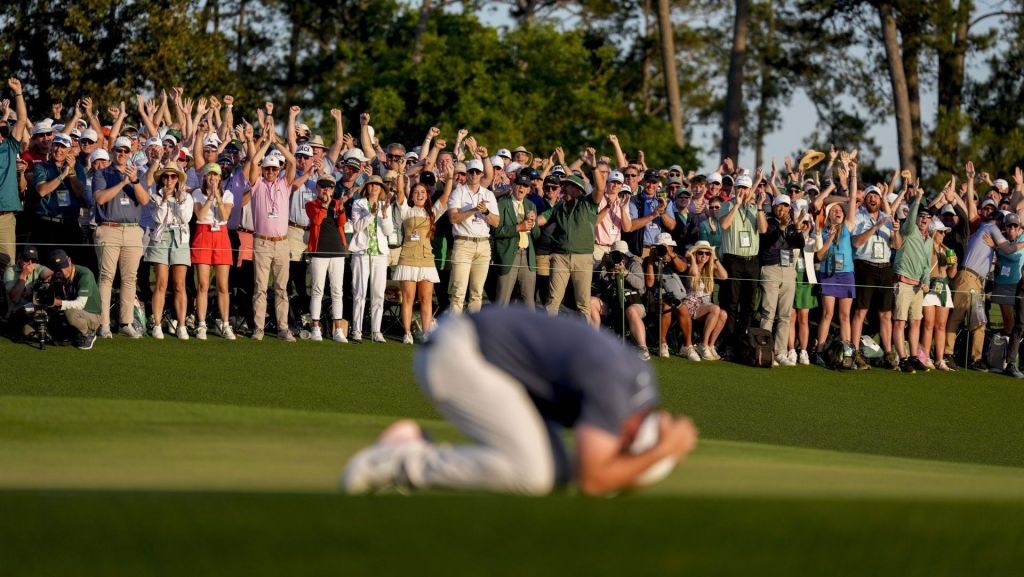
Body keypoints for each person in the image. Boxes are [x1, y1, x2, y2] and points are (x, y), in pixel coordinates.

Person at [341, 306, 699, 496]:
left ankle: (408, 443)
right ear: (629, 436)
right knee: (533, 474)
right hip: (458, 353)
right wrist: (664, 450)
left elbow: (584, 473)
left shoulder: (637, 386)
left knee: (558, 472)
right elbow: (594, 480)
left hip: (481, 353)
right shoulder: (616, 389)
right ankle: (398, 462)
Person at [92, 135, 151, 338]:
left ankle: (126, 322)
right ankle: (104, 323)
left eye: (126, 151)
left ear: (130, 154)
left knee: (130, 278)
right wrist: (122, 182)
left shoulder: (137, 174)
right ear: (113, 152)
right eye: (119, 150)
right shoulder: (102, 173)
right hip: (109, 228)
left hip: (132, 230)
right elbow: (100, 198)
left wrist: (134, 181)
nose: (122, 154)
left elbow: (144, 200)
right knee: (106, 277)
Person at [246, 126, 299, 342]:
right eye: (267, 169)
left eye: (274, 169)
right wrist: (266, 143)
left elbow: (292, 162)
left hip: (282, 243)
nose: (270, 172)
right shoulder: (257, 185)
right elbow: (253, 163)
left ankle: (283, 328)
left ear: (278, 170)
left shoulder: (284, 184)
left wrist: (276, 142)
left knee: (281, 288)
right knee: (260, 288)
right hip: (262, 242)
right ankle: (259, 328)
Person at [393, 164, 454, 343]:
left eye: (422, 192)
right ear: (412, 195)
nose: (419, 194)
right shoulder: (406, 210)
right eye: (416, 192)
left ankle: (427, 333)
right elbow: (400, 192)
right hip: (408, 258)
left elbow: (445, 196)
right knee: (408, 298)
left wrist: (450, 178)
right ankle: (407, 333)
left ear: (427, 195)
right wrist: (400, 173)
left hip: (426, 259)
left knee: (426, 298)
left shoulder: (432, 213)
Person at [539, 173, 606, 317]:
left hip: (583, 257)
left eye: (567, 185)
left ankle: (585, 332)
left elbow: (600, 189)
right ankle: (548, 332)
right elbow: (542, 219)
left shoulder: (588, 203)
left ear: (577, 189)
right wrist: (530, 221)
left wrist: (594, 168)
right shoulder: (559, 205)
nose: (563, 188)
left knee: (583, 303)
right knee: (552, 301)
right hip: (560, 257)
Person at [813, 157, 859, 367]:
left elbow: (852, 200)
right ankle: (820, 351)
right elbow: (819, 256)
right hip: (828, 274)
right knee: (827, 314)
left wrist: (852, 174)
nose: (838, 212)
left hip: (846, 274)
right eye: (834, 211)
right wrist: (830, 237)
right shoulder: (823, 231)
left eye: (840, 210)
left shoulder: (848, 226)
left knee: (844, 316)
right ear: (829, 215)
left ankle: (847, 353)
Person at [850, 184, 898, 370]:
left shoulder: (888, 217)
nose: (873, 198)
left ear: (880, 199)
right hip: (865, 266)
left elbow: (897, 245)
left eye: (876, 196)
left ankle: (888, 354)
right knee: (861, 311)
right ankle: (855, 352)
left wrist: (895, 231)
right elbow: (856, 242)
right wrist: (876, 227)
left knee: (886, 313)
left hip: (885, 267)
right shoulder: (858, 216)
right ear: (865, 199)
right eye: (870, 195)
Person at [144, 162, 194, 339]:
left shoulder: (187, 197)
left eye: (173, 176)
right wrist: (165, 200)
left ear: (178, 179)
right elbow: (158, 218)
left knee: (179, 284)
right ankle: (157, 324)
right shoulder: (155, 196)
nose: (170, 180)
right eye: (166, 176)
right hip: (161, 237)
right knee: (161, 283)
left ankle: (181, 325)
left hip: (180, 238)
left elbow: (186, 217)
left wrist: (180, 201)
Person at [717, 174, 763, 357]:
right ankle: (728, 343)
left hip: (752, 261)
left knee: (749, 304)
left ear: (750, 190)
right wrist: (736, 205)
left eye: (745, 188)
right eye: (739, 188)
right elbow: (724, 225)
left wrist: (759, 206)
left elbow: (763, 229)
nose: (742, 191)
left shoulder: (754, 208)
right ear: (735, 189)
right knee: (731, 303)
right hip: (733, 260)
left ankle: (743, 343)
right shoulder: (727, 205)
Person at [446, 157, 498, 314]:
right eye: (471, 171)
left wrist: (485, 211)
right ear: (467, 173)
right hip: (463, 244)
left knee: (477, 292)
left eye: (477, 171)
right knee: (458, 291)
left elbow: (496, 222)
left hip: (483, 245)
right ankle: (455, 325)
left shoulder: (488, 194)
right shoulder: (458, 193)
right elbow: (453, 218)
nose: (474, 174)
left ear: (482, 174)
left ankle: (473, 326)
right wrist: (474, 210)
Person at [757, 194, 804, 366]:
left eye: (785, 206)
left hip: (789, 270)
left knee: (785, 315)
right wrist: (781, 227)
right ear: (774, 206)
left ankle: (780, 352)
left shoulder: (792, 225)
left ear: (789, 208)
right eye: (779, 205)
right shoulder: (768, 222)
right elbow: (767, 241)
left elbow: (800, 244)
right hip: (771, 269)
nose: (782, 209)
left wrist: (797, 228)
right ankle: (765, 351)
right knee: (768, 313)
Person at [191, 163, 235, 340]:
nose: (213, 178)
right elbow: (200, 215)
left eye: (215, 175)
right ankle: (201, 324)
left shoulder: (228, 194)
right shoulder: (197, 193)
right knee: (203, 284)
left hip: (221, 236)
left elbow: (225, 216)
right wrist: (210, 198)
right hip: (203, 234)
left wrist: (218, 196)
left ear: (220, 178)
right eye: (210, 175)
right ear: (205, 177)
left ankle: (225, 324)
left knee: (223, 286)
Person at [891, 192, 933, 373]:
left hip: (918, 287)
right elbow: (910, 218)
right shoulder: (909, 229)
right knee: (900, 322)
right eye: (921, 216)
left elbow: (926, 265)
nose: (923, 219)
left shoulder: (929, 239)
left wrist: (926, 281)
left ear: (931, 220)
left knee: (915, 322)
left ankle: (914, 357)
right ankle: (902, 359)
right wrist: (916, 200)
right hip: (903, 283)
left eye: (927, 217)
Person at [349, 175, 394, 342]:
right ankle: (357, 329)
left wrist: (385, 214)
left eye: (377, 185)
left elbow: (388, 232)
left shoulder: (385, 205)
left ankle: (376, 330)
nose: (374, 187)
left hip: (379, 254)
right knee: (359, 292)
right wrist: (371, 214)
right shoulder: (358, 203)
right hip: (362, 252)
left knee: (378, 293)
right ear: (366, 188)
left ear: (381, 188)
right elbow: (356, 227)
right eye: (371, 185)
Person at [304, 173, 348, 342]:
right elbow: (316, 221)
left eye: (329, 187)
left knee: (337, 291)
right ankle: (315, 328)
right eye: (323, 187)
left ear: (333, 189)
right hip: (319, 252)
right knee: (317, 290)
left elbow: (342, 223)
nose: (326, 190)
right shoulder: (311, 204)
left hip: (337, 251)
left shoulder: (337, 204)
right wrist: (324, 206)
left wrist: (341, 209)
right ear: (317, 188)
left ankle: (338, 330)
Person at [590, 240, 649, 359]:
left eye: (621, 255)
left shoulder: (634, 264)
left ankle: (643, 348)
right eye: (616, 255)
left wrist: (626, 274)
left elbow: (640, 285)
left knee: (631, 311)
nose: (619, 258)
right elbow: (596, 284)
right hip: (611, 302)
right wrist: (602, 266)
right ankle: (594, 341)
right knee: (591, 301)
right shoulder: (607, 265)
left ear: (626, 255)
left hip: (632, 302)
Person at [643, 233, 696, 360]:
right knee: (666, 306)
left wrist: (672, 256)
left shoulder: (676, 258)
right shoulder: (649, 261)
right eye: (661, 247)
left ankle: (687, 345)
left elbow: (682, 269)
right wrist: (650, 261)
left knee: (682, 308)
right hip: (656, 299)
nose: (664, 250)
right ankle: (663, 344)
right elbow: (649, 283)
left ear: (671, 247)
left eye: (667, 247)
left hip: (677, 297)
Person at [493, 173, 539, 309]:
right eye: (519, 184)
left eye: (525, 186)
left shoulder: (531, 205)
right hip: (508, 255)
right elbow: (496, 231)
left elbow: (537, 235)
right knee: (502, 301)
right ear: (513, 185)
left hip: (528, 257)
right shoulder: (502, 204)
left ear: (529, 189)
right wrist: (518, 227)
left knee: (529, 303)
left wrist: (533, 223)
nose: (521, 188)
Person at [681, 240, 729, 360]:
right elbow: (694, 273)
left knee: (723, 314)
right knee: (715, 309)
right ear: (695, 253)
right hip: (691, 304)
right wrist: (692, 258)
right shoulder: (689, 266)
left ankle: (710, 345)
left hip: (706, 305)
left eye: (707, 253)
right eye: (700, 253)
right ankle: (703, 344)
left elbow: (724, 276)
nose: (704, 256)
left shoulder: (710, 269)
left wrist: (715, 258)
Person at [47, 249, 102, 350]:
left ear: (69, 260)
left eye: (64, 266)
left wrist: (58, 302)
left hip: (92, 315)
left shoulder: (85, 275)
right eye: (58, 269)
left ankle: (88, 334)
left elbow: (80, 304)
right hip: (75, 312)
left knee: (70, 313)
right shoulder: (57, 276)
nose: (63, 271)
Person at [921, 219, 957, 372]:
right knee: (928, 323)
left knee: (941, 326)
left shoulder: (947, 250)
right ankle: (925, 357)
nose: (943, 234)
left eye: (944, 232)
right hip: (929, 286)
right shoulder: (926, 247)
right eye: (940, 231)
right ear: (933, 232)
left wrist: (954, 264)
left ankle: (939, 359)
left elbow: (952, 274)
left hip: (943, 286)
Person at [788, 210, 822, 365]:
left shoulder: (812, 240)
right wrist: (797, 227)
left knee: (803, 318)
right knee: (791, 317)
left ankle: (803, 351)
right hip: (792, 280)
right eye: (803, 222)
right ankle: (791, 350)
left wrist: (818, 233)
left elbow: (818, 247)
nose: (805, 225)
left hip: (806, 282)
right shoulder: (792, 237)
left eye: (807, 223)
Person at [1, 78, 28, 264]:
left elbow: (22, 120)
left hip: (5, 217)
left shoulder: (10, 147)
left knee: (9, 265)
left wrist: (18, 92)